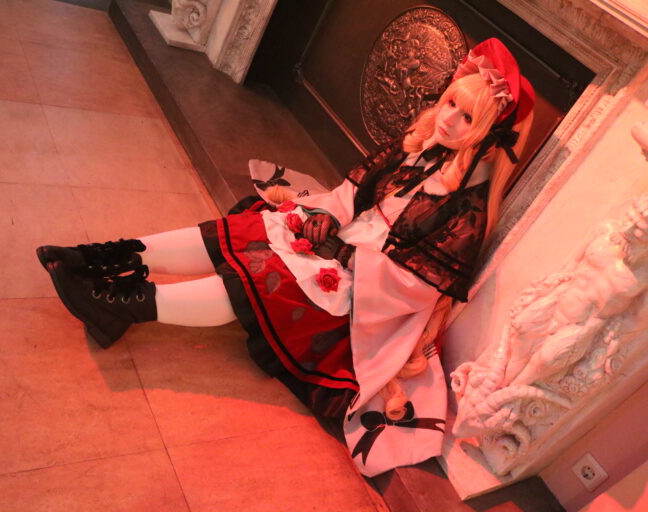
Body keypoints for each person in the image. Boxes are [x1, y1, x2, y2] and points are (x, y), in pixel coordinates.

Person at [37, 38, 535, 476]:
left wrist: (347, 255)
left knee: (271, 274)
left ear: (487, 135)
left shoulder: (469, 208)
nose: (448, 119)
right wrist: (327, 219)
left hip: (367, 301)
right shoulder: (416, 148)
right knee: (257, 226)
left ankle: (126, 304)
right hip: (346, 248)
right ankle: (105, 258)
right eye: (450, 103)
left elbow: (415, 288)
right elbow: (351, 196)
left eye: (466, 117)